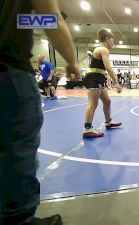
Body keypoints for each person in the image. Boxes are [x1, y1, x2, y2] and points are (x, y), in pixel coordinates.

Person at [0, 0, 81, 224]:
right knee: (16, 150)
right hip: (8, 70)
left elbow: (20, 21)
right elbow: (51, 19)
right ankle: (18, 220)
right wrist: (72, 62)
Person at [82, 28, 122, 138]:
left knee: (107, 101)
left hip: (98, 77)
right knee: (93, 104)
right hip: (94, 78)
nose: (113, 42)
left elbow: (102, 68)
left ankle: (108, 122)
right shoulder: (103, 50)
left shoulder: (99, 49)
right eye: (113, 40)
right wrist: (116, 83)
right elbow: (108, 67)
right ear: (107, 39)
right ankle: (87, 129)